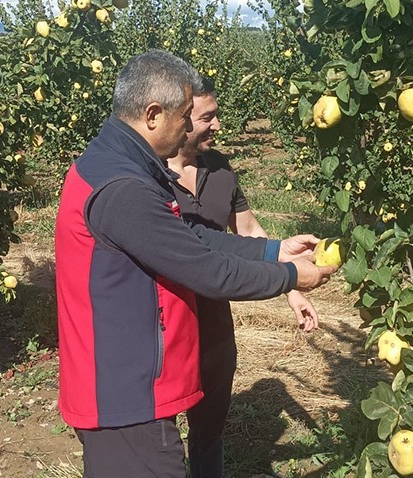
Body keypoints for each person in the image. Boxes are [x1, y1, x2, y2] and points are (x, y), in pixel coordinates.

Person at [54, 49, 337, 478]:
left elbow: (190, 237)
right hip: (126, 397)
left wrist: (273, 250)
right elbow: (206, 269)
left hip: (131, 383)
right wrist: (294, 276)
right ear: (152, 114)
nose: (190, 126)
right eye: (185, 115)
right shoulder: (122, 188)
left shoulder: (119, 164)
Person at [167, 77, 320, 478]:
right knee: (160, 430)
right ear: (180, 121)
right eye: (208, 117)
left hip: (214, 323)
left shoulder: (219, 169)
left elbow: (250, 234)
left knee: (209, 429)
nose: (218, 126)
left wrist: (290, 289)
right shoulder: (148, 178)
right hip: (166, 325)